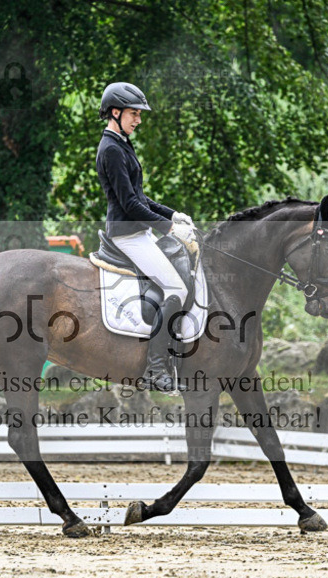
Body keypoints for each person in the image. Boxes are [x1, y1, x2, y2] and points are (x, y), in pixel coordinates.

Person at [95, 82, 197, 394]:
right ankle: (156, 368)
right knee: (177, 288)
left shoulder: (121, 143)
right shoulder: (111, 149)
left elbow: (141, 197)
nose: (138, 119)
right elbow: (129, 205)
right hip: (128, 236)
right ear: (115, 112)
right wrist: (168, 229)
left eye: (139, 114)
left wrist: (172, 215)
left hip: (138, 231)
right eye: (133, 113)